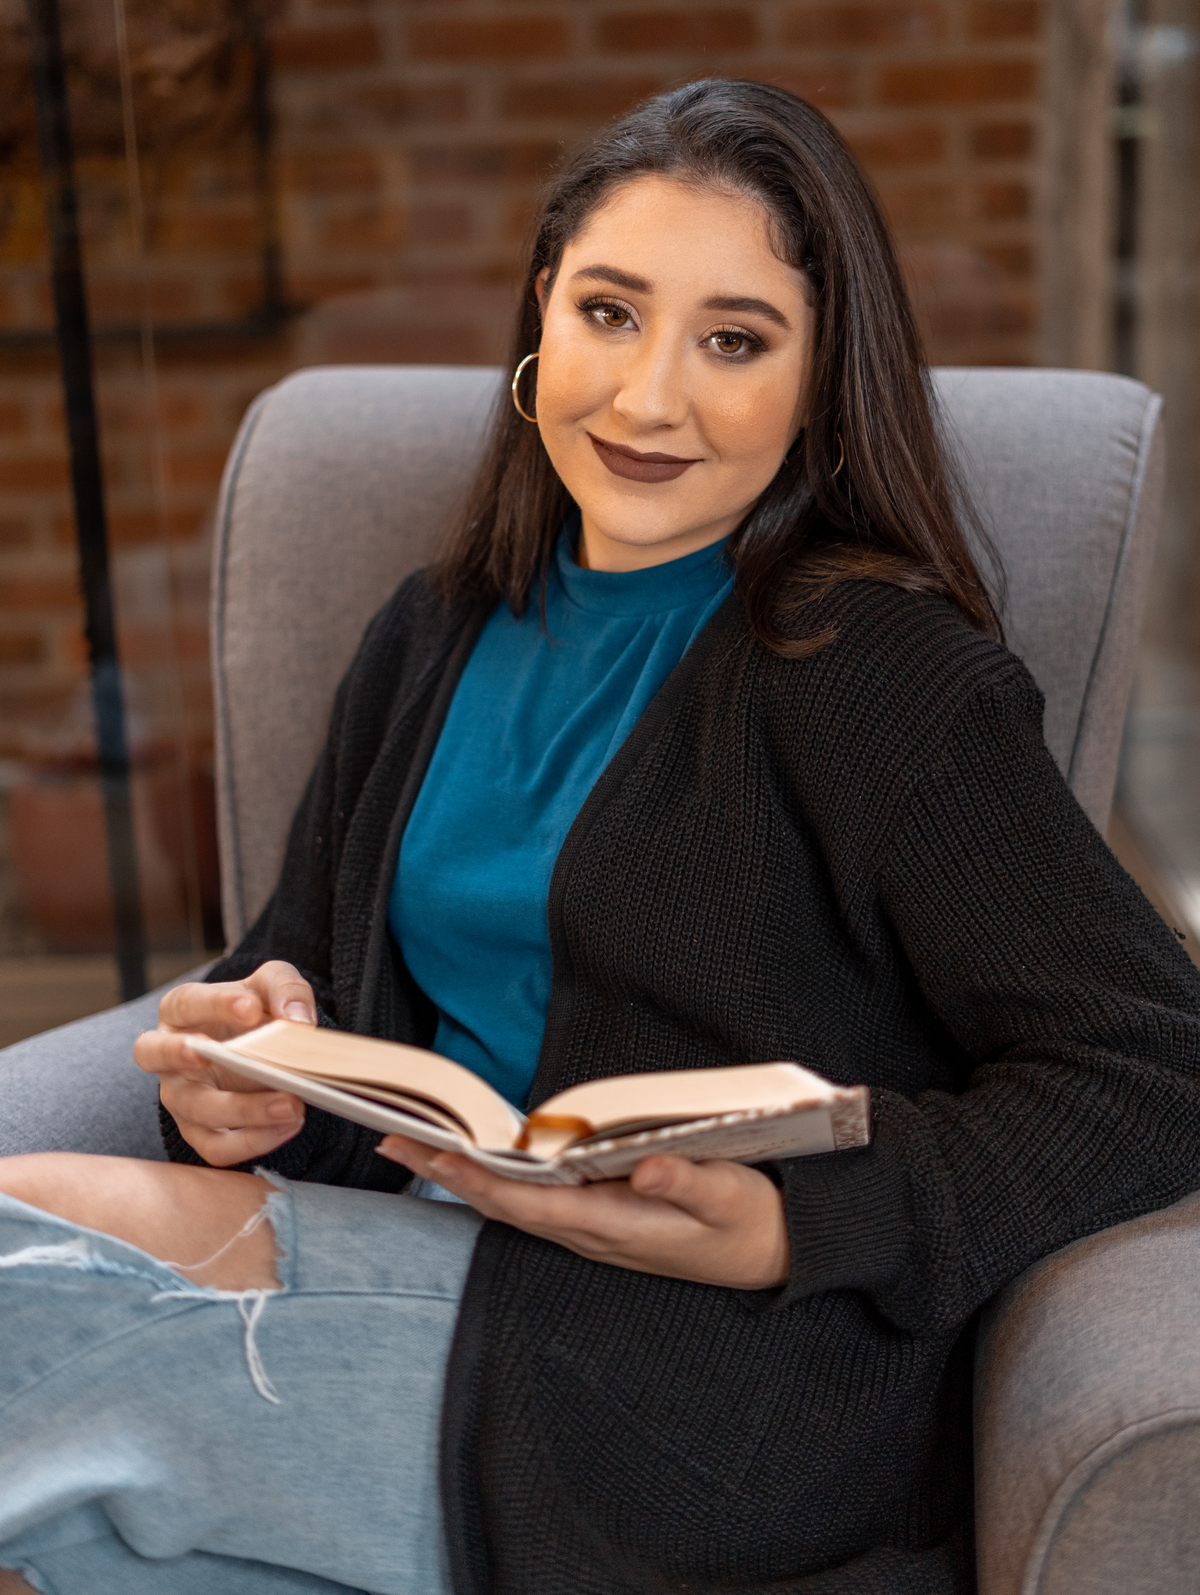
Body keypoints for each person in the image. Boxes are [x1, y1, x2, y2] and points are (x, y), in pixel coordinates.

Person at [1, 77, 1199, 1595]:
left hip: (694, 1380)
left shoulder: (880, 680)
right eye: (611, 314)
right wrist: (244, 1068)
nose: (646, 402)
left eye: (736, 341)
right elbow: (300, 966)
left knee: (34, 1295)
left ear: (820, 387)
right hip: (429, 1260)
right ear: (539, 328)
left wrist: (781, 1228)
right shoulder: (435, 630)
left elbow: (1153, 1066)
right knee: (37, 1261)